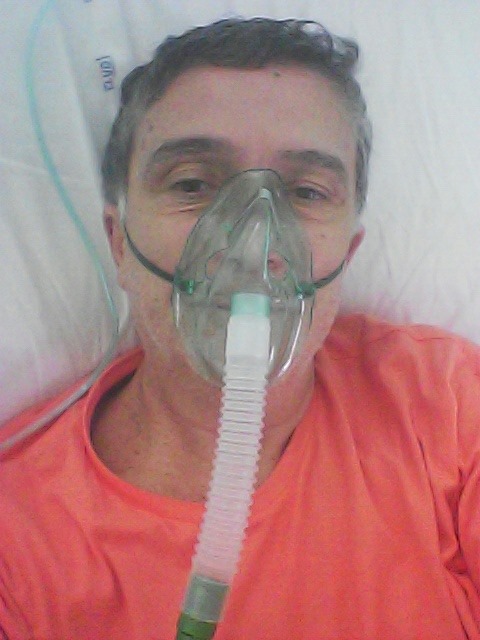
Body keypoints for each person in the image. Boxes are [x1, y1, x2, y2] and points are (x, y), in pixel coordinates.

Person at [1, 16, 479, 640]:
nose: (254, 244)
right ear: (119, 243)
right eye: (193, 183)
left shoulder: (446, 407)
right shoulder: (18, 541)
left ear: (349, 252)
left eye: (306, 192)